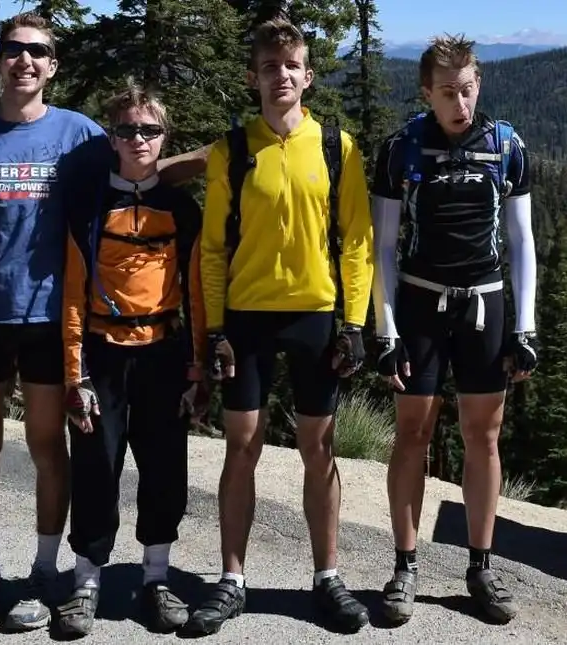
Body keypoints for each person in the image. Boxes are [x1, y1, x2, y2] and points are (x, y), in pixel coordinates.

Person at [0, 12, 206, 637]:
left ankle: (44, 575)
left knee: (50, 450)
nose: (24, 61)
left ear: (53, 65)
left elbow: (137, 165)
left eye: (37, 52)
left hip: (52, 317)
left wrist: (216, 156)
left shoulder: (80, 133)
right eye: (13, 50)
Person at [183, 18, 374, 636]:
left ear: (308, 76)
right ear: (254, 77)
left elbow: (357, 244)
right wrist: (215, 331)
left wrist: (354, 322)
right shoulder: (232, 151)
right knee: (242, 447)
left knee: (320, 449)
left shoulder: (337, 147)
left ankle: (327, 577)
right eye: (270, 66)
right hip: (247, 319)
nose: (281, 75)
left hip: (316, 316)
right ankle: (231, 579)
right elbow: (214, 250)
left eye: (292, 65)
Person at [370, 34, 538, 626]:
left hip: (484, 306)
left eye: (467, 90)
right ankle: (405, 565)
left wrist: (526, 328)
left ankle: (481, 566)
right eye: (447, 92)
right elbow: (383, 246)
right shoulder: (400, 149)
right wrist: (385, 329)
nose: (459, 103)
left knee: (483, 437)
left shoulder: (506, 146)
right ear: (427, 93)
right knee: (411, 435)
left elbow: (521, 239)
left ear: (478, 84)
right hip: (419, 304)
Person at [55, 80, 207, 638]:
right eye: (126, 130)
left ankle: (156, 579)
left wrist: (198, 368)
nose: (138, 139)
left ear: (164, 137)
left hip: (164, 353)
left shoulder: (182, 209)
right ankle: (85, 583)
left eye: (149, 130)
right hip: (101, 352)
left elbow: (196, 293)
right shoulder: (87, 207)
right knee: (96, 465)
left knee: (165, 467)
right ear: (113, 139)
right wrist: (74, 373)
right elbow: (73, 294)